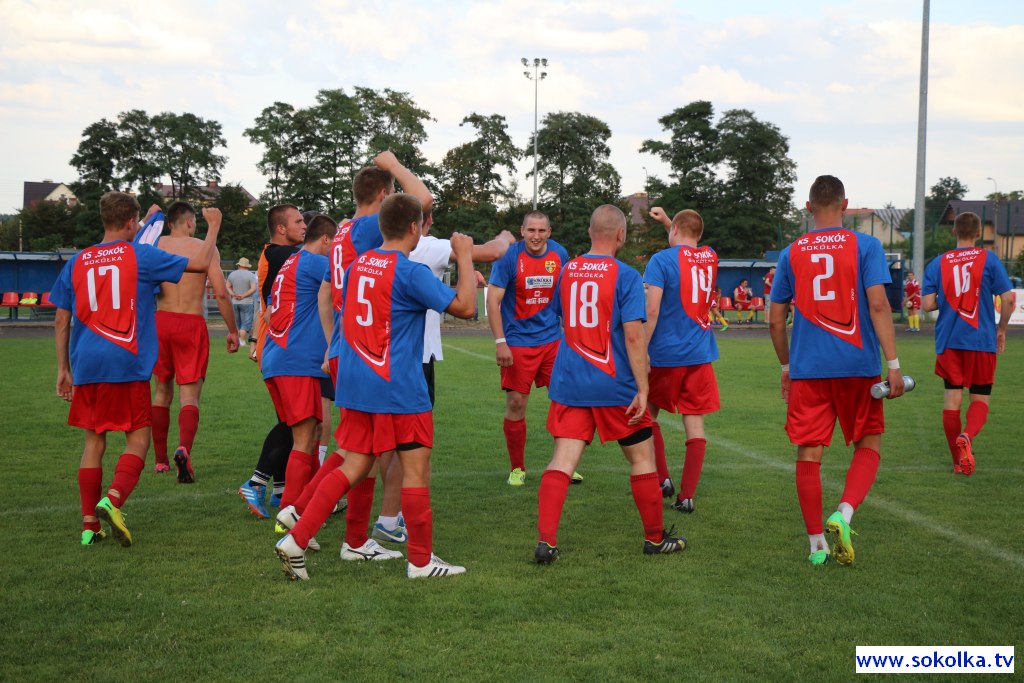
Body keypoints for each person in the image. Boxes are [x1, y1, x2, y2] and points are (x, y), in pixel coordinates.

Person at [274, 193, 478, 580]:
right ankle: (420, 561)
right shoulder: (410, 271)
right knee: (416, 467)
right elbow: (466, 307)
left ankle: (296, 539)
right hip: (397, 384)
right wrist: (465, 256)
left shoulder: (358, 265)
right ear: (415, 227)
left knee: (353, 463)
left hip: (355, 379)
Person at [52, 192, 223, 546]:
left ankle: (88, 527)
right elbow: (201, 262)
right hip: (125, 361)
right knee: (138, 439)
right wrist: (213, 227)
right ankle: (112, 500)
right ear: (132, 222)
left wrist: (62, 368)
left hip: (86, 363)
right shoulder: (139, 255)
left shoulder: (77, 261)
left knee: (93, 441)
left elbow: (61, 318)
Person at [533, 205, 686, 565]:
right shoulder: (626, 275)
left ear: (590, 232)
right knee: (642, 458)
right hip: (614, 385)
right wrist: (643, 388)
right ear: (621, 235)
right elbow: (634, 336)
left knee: (563, 459)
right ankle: (654, 539)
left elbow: (562, 317)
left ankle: (546, 542)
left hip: (571, 382)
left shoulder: (567, 270)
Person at [769, 175, 904, 567]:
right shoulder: (867, 245)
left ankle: (816, 545)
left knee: (809, 453)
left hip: (809, 369)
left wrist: (786, 367)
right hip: (858, 366)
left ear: (808, 207)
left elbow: (776, 320)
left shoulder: (791, 252)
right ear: (844, 204)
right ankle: (843, 512)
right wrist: (893, 365)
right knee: (869, 443)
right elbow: (878, 305)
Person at [361, 210, 514, 542]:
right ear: (420, 224)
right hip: (411, 361)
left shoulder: (367, 255)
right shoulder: (426, 248)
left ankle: (343, 522)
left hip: (371, 358)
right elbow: (488, 262)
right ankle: (395, 526)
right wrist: (503, 237)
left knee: (368, 450)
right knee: (414, 450)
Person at [260, 214, 335, 550]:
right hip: (296, 360)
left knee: (311, 433)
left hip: (277, 357)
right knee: (304, 439)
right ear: (326, 240)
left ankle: (310, 507)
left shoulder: (291, 261)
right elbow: (350, 279)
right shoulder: (314, 262)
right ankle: (292, 517)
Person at [151, 202, 240, 482]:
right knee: (189, 397)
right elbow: (221, 293)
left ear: (169, 222)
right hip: (190, 323)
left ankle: (161, 461)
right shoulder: (204, 247)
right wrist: (233, 330)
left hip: (160, 321)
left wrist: (147, 219)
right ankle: (183, 448)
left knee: (161, 393)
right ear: (190, 222)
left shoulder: (155, 244)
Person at [921, 212, 1013, 475]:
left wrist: (948, 297)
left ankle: (957, 462)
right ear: (979, 234)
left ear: (954, 232)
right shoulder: (989, 259)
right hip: (981, 340)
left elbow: (927, 304)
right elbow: (1008, 299)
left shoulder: (937, 263)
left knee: (952, 401)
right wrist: (1001, 329)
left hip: (949, 341)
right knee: (980, 399)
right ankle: (968, 435)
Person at [486, 211, 573, 486]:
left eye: (541, 231)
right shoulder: (509, 257)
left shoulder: (559, 254)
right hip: (518, 341)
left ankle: (565, 464)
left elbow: (566, 294)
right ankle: (517, 468)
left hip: (552, 340)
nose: (536, 236)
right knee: (516, 403)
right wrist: (501, 342)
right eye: (531, 230)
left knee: (565, 402)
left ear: (549, 232)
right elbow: (492, 301)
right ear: (522, 231)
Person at [644, 206, 721, 511]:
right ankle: (687, 496)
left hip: (666, 352)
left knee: (647, 415)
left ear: (674, 231)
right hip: (700, 354)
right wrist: (668, 222)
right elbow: (687, 245)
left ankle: (662, 478)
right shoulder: (710, 256)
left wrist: (641, 349)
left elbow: (651, 310)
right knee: (695, 423)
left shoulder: (660, 260)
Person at [237, 205, 305, 518]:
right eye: (298, 221)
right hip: (278, 344)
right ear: (281, 228)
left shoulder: (277, 254)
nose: (304, 226)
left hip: (274, 343)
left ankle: (280, 490)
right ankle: (256, 481)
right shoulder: (280, 254)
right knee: (294, 422)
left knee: (289, 420)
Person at [227, 256, 258, 345]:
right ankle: (242, 341)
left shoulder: (232, 274)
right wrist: (243, 295)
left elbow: (227, 286)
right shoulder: (251, 275)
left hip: (234, 301)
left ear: (239, 265)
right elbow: (253, 289)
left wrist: (233, 294)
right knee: (246, 323)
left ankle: (236, 340)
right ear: (247, 266)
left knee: (237, 322)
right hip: (247, 302)